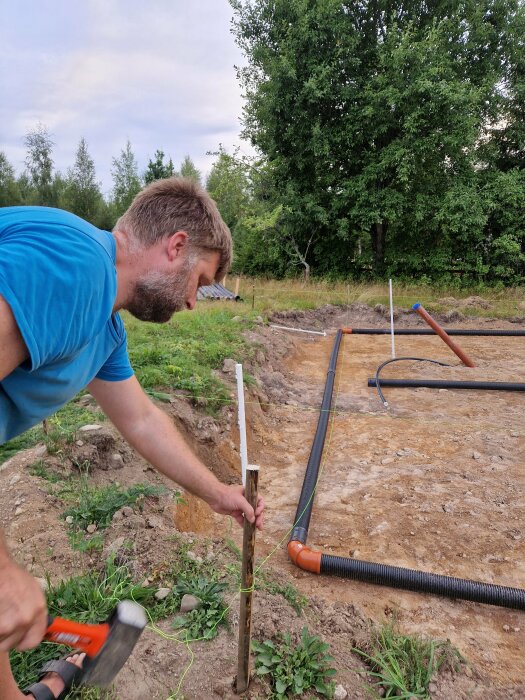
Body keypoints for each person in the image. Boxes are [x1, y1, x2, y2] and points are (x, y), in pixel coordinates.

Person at [0, 177, 264, 699]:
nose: (194, 303)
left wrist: (218, 495)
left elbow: (141, 418)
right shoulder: (79, 267)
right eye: (202, 282)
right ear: (178, 246)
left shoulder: (103, 327)